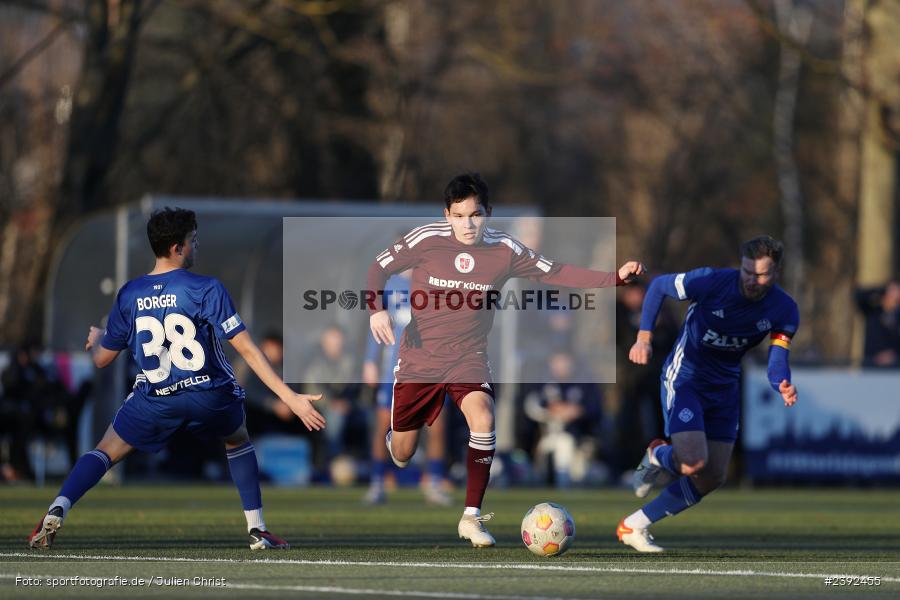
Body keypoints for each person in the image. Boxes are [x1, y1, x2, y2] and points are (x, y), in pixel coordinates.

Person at [366, 172, 645, 547]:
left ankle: (471, 517)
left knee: (483, 415)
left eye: (476, 215)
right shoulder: (425, 239)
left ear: (488, 213)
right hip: (420, 359)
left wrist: (616, 278)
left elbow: (558, 272)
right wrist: (376, 310)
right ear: (447, 214)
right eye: (460, 215)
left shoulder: (506, 250)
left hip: (468, 357)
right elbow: (377, 268)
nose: (469, 224)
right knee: (402, 454)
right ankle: (395, 442)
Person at [28, 208, 325, 551]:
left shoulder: (130, 294)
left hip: (156, 398)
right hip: (209, 395)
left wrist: (99, 337)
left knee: (105, 451)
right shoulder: (206, 288)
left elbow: (103, 359)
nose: (196, 247)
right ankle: (257, 530)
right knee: (238, 438)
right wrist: (290, 397)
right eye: (193, 241)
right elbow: (247, 349)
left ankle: (58, 507)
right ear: (176, 248)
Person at [617, 235, 799, 553]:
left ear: (776, 273)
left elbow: (777, 357)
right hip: (686, 378)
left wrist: (781, 382)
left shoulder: (784, 308)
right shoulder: (711, 281)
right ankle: (657, 454)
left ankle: (634, 525)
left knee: (713, 476)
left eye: (761, 274)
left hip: (725, 388)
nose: (751, 280)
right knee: (692, 462)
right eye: (746, 271)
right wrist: (643, 338)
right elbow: (659, 286)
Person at [362, 270, 452, 506]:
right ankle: (377, 482)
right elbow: (377, 327)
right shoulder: (389, 288)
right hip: (395, 369)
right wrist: (370, 360)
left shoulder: (437, 285)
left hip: (432, 369)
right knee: (383, 424)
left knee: (437, 425)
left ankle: (433, 482)